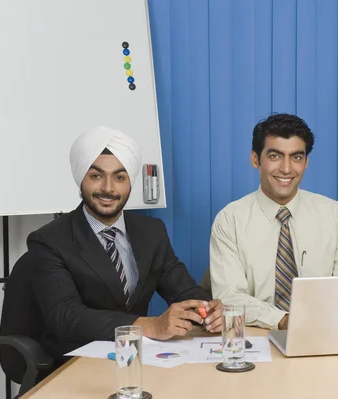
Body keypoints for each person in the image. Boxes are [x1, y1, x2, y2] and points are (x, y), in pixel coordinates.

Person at [29, 126, 222, 365]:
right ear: (81, 179)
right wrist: (150, 325)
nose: (108, 188)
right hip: (76, 360)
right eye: (96, 176)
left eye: (119, 177)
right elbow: (66, 317)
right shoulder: (49, 240)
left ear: (130, 182)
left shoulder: (151, 231)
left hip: (137, 358)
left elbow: (182, 289)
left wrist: (207, 310)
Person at [210, 113, 338, 330]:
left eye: (296, 157)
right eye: (275, 156)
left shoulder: (335, 215)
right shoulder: (230, 220)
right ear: (255, 159)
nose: (286, 169)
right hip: (257, 339)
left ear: (306, 162)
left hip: (325, 335)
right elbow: (229, 297)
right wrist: (283, 321)